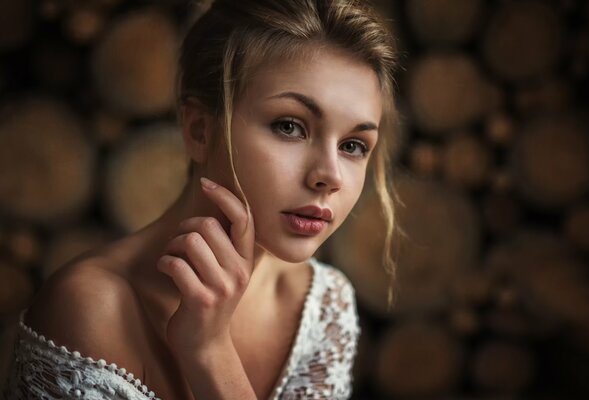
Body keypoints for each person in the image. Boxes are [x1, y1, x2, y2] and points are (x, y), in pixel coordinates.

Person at [3, 0, 400, 398]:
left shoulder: (323, 304)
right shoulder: (90, 310)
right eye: (290, 126)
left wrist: (210, 351)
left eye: (353, 145)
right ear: (199, 130)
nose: (329, 176)